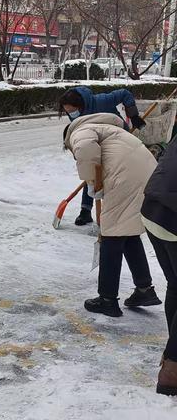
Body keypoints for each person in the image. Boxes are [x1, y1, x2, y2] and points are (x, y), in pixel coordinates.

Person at [63, 112, 161, 317]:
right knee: (127, 231)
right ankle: (144, 289)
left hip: (125, 179)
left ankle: (107, 299)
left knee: (111, 237)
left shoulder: (79, 131)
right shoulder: (109, 129)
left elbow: (85, 150)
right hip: (149, 174)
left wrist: (91, 181)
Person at [59, 87, 146, 226]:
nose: (71, 115)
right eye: (68, 112)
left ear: (81, 104)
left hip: (117, 140)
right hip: (94, 141)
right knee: (91, 176)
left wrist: (133, 115)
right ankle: (85, 211)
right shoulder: (76, 115)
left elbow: (124, 93)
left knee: (112, 179)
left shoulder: (101, 101)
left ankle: (113, 215)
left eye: (73, 111)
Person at [141, 137, 177, 395]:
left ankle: (171, 352)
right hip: (173, 216)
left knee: (176, 285)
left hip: (153, 210)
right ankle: (172, 371)